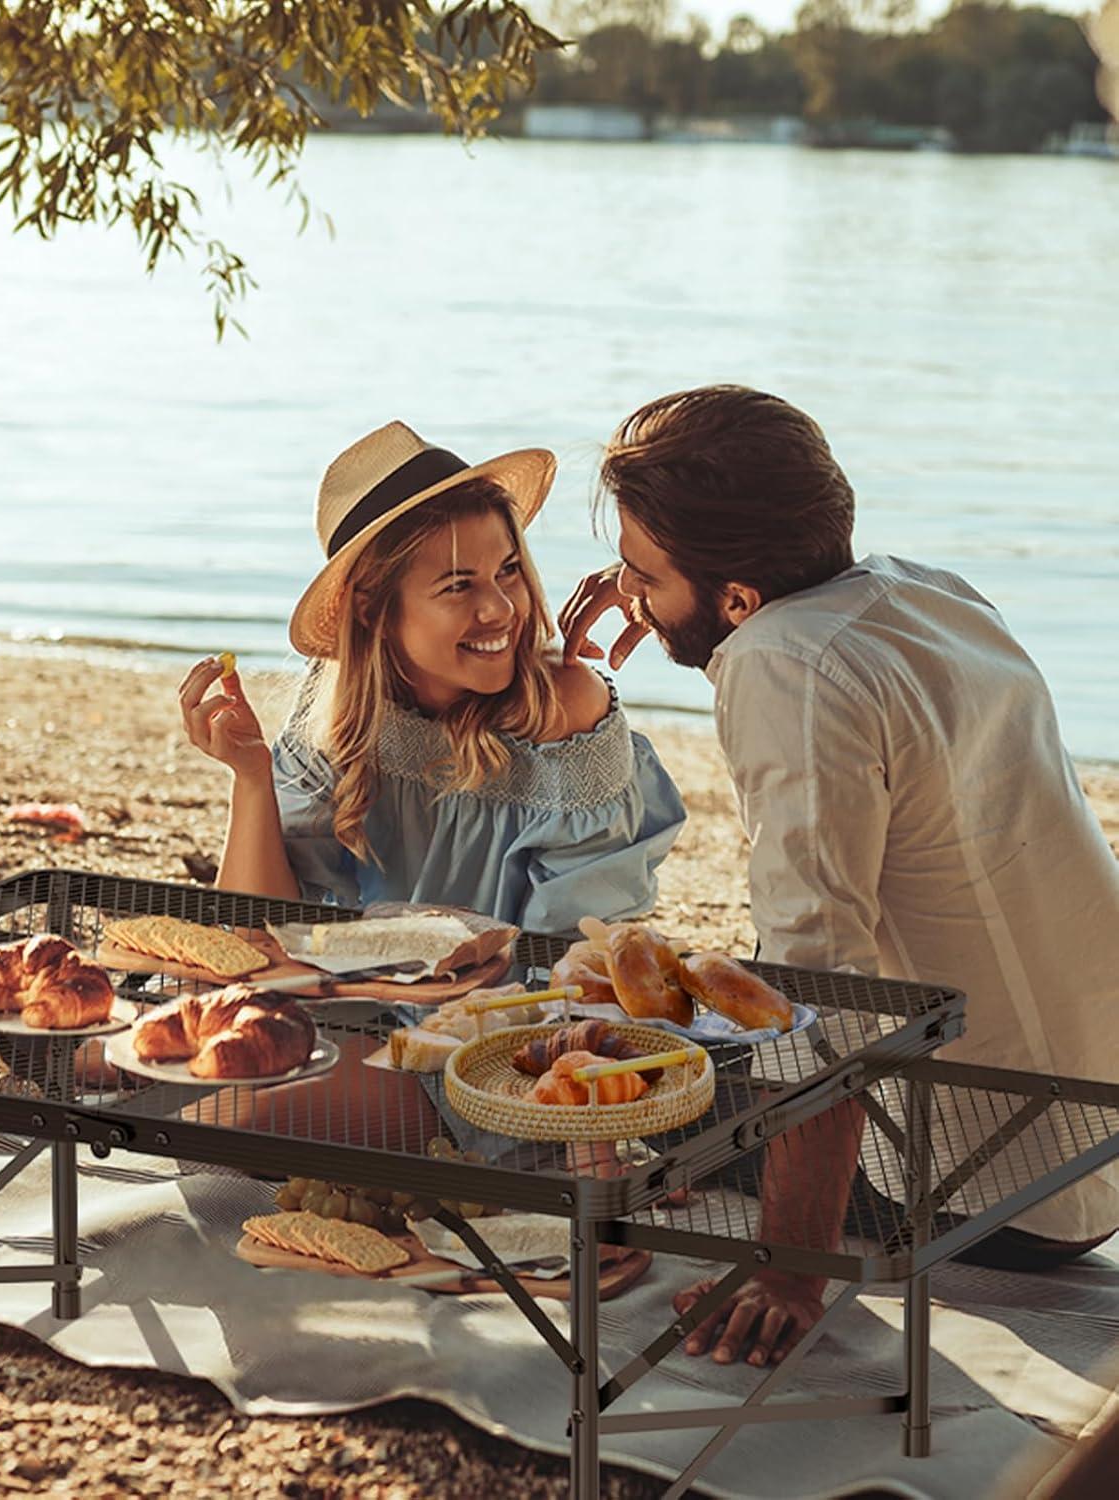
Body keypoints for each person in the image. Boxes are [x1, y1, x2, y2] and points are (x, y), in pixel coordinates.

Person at [560, 384, 1119, 1366]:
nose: (628, 596)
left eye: (643, 576)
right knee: (665, 988)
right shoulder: (921, 592)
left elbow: (827, 988)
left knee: (600, 1053)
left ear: (738, 597)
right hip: (1094, 1131)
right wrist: (672, 587)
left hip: (998, 1186)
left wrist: (791, 1268)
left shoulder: (789, 668)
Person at [178, 419, 686, 936]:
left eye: (508, 570)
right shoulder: (334, 709)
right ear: (373, 608)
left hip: (504, 1011)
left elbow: (571, 961)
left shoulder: (564, 712)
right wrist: (251, 778)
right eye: (457, 585)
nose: (500, 608)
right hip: (351, 1005)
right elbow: (256, 932)